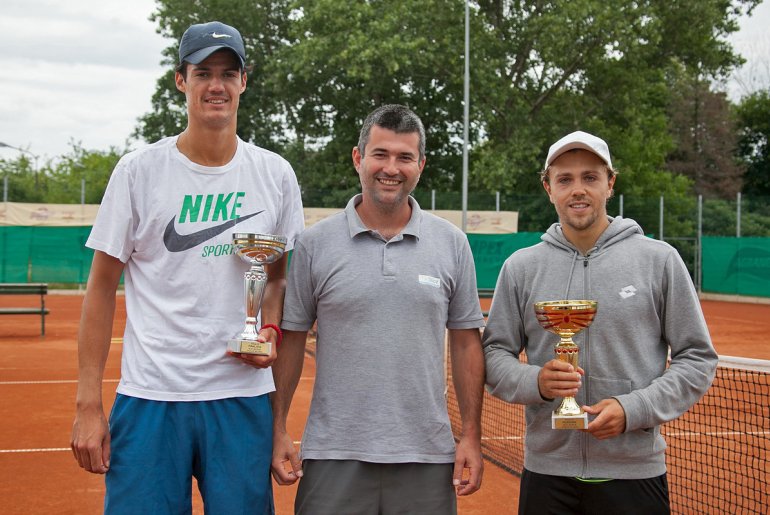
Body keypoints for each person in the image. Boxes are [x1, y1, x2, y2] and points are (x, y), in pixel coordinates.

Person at [70, 21, 304, 514]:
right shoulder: (138, 171)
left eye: (228, 73)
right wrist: (88, 404)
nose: (216, 85)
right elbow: (100, 288)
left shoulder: (275, 174)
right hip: (152, 395)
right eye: (203, 72)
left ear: (245, 81)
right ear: (181, 80)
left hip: (241, 398)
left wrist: (269, 331)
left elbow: (278, 276)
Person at [482, 130, 718, 514]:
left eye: (590, 177)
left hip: (635, 474)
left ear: (610, 183)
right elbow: (493, 353)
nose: (578, 189)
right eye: (565, 179)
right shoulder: (521, 268)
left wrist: (634, 408)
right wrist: (536, 382)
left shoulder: (659, 260)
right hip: (546, 472)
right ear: (548, 188)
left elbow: (697, 357)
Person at [270, 104, 486, 514]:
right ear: (358, 159)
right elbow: (292, 340)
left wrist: (471, 436)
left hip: (427, 455)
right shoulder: (315, 244)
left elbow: (465, 344)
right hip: (334, 454)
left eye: (405, 157)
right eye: (380, 154)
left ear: (420, 165)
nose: (392, 168)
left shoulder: (452, 243)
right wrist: (277, 428)